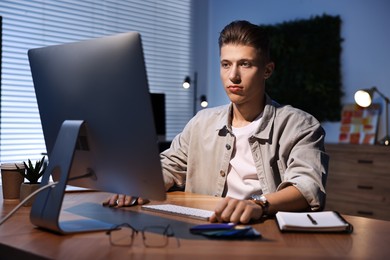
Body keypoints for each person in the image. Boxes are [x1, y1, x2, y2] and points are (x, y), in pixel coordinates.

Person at [103, 20, 329, 224]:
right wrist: (140, 185)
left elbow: (307, 186)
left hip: (266, 232)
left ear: (267, 70)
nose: (233, 76)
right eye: (226, 64)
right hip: (204, 227)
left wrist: (258, 204)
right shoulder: (202, 122)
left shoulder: (301, 125)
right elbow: (169, 166)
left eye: (245, 64)